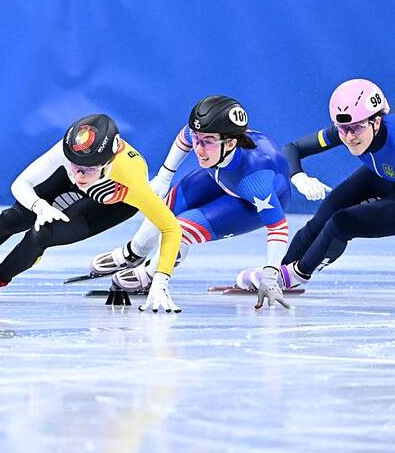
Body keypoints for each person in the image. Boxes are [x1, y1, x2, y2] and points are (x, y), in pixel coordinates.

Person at [0, 114, 183, 312]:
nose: (77, 174)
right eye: (73, 164)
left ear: (107, 163)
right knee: (14, 217)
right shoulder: (70, 153)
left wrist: (160, 280)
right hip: (95, 183)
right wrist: (39, 205)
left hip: (112, 201)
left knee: (40, 235)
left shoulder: (131, 179)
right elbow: (20, 184)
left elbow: (171, 229)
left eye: (86, 169)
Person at [95, 95, 293, 309]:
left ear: (231, 143)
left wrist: (271, 276)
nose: (198, 148)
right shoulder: (213, 140)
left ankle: (150, 273)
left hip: (250, 203)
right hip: (222, 176)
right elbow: (184, 136)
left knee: (181, 228)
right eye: (197, 139)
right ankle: (134, 251)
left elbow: (278, 227)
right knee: (167, 204)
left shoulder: (256, 180)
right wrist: (164, 176)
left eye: (206, 142)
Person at [238, 78, 395, 291]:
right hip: (382, 176)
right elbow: (292, 149)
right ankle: (280, 273)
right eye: (342, 128)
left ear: (376, 122)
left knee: (342, 222)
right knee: (327, 212)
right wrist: (298, 176)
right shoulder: (353, 127)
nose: (349, 137)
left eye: (356, 128)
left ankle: (296, 276)